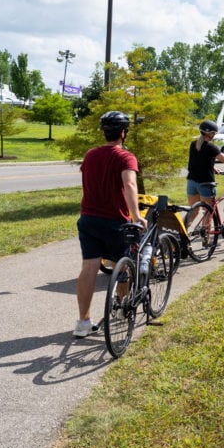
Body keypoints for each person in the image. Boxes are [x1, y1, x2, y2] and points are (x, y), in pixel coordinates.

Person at [73, 111, 146, 339]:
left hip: (88, 219)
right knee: (123, 264)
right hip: (115, 221)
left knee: (89, 268)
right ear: (123, 133)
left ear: (104, 132)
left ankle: (83, 322)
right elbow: (130, 185)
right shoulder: (126, 157)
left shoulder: (90, 155)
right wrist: (136, 216)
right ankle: (123, 306)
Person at [185, 120, 224, 233]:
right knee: (208, 212)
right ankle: (207, 240)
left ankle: (179, 237)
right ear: (210, 133)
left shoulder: (193, 144)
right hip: (205, 183)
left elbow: (197, 161)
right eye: (214, 133)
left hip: (191, 182)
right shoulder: (211, 147)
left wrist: (212, 167)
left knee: (193, 211)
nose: (214, 135)